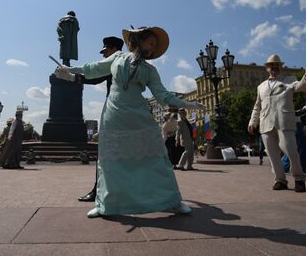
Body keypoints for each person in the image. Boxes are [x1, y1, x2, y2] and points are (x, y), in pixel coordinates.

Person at [55, 26, 205, 218]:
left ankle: (171, 201)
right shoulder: (117, 57)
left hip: (139, 115)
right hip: (114, 113)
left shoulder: (150, 70)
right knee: (111, 162)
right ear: (139, 40)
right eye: (150, 43)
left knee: (157, 159)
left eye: (154, 46)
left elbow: (162, 95)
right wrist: (70, 70)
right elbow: (94, 69)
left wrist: (186, 103)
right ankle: (105, 204)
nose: (151, 48)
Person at [248, 54, 306, 193]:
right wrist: (253, 121)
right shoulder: (261, 86)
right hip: (266, 123)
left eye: (277, 65)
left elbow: (300, 87)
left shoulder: (288, 80)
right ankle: (280, 180)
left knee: (290, 151)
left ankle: (299, 179)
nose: (274, 68)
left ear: (281, 67)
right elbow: (257, 105)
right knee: (272, 155)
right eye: (272, 65)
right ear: (267, 68)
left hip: (284, 121)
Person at [76, 36, 124, 202]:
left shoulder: (117, 61)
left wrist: (72, 75)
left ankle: (98, 191)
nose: (104, 54)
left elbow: (95, 76)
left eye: (106, 51)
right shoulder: (123, 62)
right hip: (127, 112)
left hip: (115, 112)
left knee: (105, 153)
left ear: (113, 49)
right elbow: (96, 77)